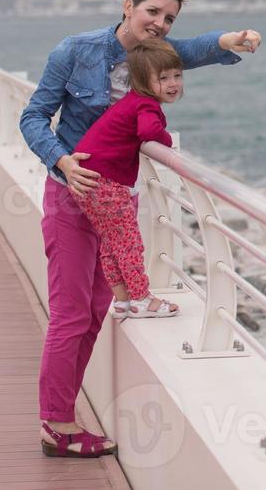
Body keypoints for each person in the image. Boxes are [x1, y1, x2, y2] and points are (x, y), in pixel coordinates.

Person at [20, 0, 261, 459]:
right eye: (152, 11)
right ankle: (57, 425)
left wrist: (230, 39)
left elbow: (193, 50)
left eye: (169, 18)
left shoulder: (156, 58)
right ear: (127, 6)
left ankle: (62, 417)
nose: (160, 24)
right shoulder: (75, 51)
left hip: (116, 200)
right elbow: (32, 115)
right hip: (71, 194)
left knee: (94, 311)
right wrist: (61, 160)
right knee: (70, 314)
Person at [75, 39, 183, 320]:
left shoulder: (132, 101)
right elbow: (149, 131)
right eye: (162, 78)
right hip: (105, 182)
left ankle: (123, 300)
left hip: (88, 179)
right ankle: (141, 298)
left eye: (177, 75)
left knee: (111, 242)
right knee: (128, 242)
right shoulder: (145, 105)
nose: (173, 83)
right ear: (142, 81)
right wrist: (167, 139)